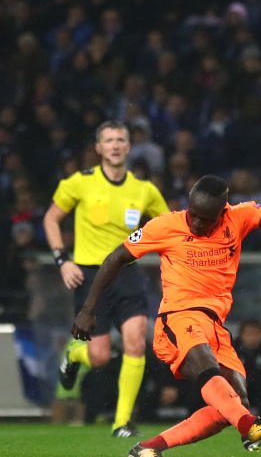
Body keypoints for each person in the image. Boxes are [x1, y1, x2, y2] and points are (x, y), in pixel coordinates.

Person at [71, 175, 261, 457]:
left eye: (205, 218)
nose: (197, 223)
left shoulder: (238, 218)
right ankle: (250, 427)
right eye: (193, 215)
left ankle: (148, 449)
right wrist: (88, 309)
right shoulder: (164, 226)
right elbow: (115, 258)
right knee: (210, 372)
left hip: (215, 324)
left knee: (233, 404)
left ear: (223, 211)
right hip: (178, 317)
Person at [43, 120, 170, 437]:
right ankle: (74, 354)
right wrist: (62, 260)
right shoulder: (79, 182)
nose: (114, 145)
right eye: (108, 140)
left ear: (129, 147)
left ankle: (121, 421)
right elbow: (51, 219)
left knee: (135, 340)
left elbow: (169, 227)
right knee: (98, 356)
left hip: (127, 274)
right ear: (98, 148)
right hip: (88, 276)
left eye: (121, 140)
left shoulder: (144, 190)